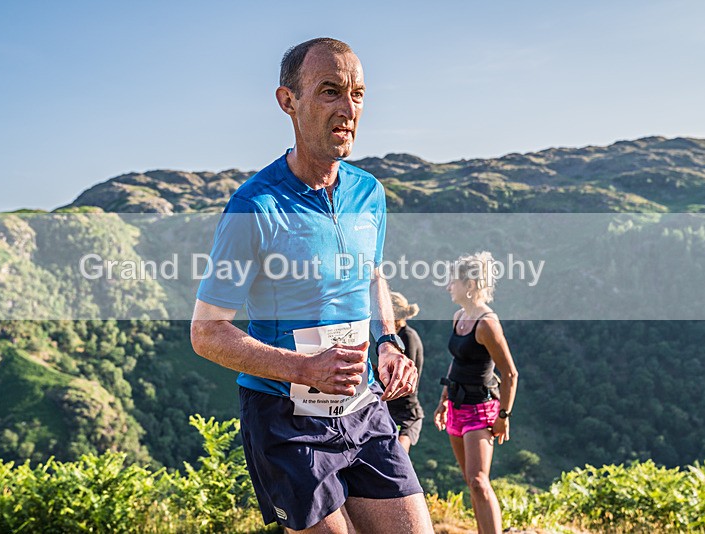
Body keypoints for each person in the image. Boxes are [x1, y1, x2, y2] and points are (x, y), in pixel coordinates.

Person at [190, 37, 434, 534]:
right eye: (329, 91)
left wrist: (387, 341)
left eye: (358, 94)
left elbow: (371, 274)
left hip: (363, 406)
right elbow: (207, 332)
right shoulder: (253, 207)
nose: (348, 109)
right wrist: (305, 367)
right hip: (285, 418)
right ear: (288, 101)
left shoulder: (370, 193)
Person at [433, 251, 519, 534]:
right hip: (457, 406)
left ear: (469, 285)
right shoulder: (459, 317)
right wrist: (444, 399)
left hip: (481, 409)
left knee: (480, 481)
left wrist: (504, 416)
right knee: (470, 480)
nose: (448, 287)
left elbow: (509, 373)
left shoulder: (487, 324)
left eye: (452, 282)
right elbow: (457, 359)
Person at [384, 291, 425, 453]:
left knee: (398, 457)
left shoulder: (407, 337)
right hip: (391, 409)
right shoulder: (395, 337)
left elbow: (404, 376)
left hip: (407, 413)